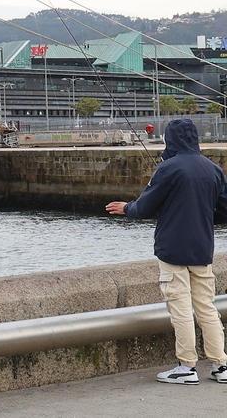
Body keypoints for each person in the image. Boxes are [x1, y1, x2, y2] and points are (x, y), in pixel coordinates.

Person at [106, 117, 227, 385]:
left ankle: (186, 367)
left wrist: (126, 208)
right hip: (202, 249)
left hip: (172, 248)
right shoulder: (213, 169)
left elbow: (145, 206)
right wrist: (201, 217)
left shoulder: (168, 168)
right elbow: (224, 210)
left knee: (180, 308)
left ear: (169, 140)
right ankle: (221, 365)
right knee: (207, 307)